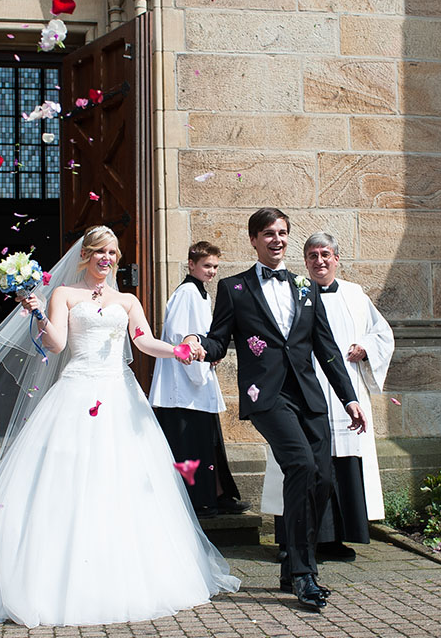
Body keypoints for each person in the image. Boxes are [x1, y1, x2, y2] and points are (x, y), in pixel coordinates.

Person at [0, 226, 239, 627]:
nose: (107, 258)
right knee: (66, 480)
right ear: (86, 255)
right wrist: (36, 311)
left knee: (124, 481)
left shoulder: (126, 300)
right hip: (75, 392)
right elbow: (55, 344)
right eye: (100, 252)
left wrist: (177, 351)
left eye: (113, 252)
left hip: (119, 397)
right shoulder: (64, 295)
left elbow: (143, 341)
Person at [185, 208, 366, 611]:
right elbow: (219, 340)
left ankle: (292, 565)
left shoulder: (306, 286)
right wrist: (198, 345)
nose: (277, 239)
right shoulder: (234, 288)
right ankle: (304, 573)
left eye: (282, 233)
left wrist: (349, 397)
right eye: (268, 233)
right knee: (300, 464)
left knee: (322, 479)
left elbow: (327, 349)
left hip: (309, 397)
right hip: (265, 396)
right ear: (253, 240)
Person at [262, 232, 394, 562]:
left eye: (325, 254)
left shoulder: (355, 294)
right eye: (312, 256)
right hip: (303, 387)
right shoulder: (294, 292)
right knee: (300, 459)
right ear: (304, 261)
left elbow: (383, 333)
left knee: (343, 461)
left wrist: (366, 347)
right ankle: (293, 541)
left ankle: (336, 538)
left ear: (336, 258)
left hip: (345, 386)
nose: (319, 261)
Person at [148, 241, 248, 518]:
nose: (212, 271)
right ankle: (198, 500)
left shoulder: (201, 293)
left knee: (208, 439)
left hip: (199, 374)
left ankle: (215, 493)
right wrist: (200, 365)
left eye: (215, 266)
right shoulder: (187, 293)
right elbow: (181, 336)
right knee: (190, 441)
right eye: (207, 266)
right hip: (184, 381)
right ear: (191, 264)